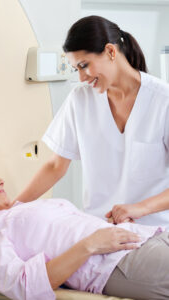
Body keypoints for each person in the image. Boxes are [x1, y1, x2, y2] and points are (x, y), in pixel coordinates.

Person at [15, 15, 169, 228]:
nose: (81, 78)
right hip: (99, 230)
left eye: (84, 65)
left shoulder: (163, 100)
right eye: (76, 69)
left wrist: (139, 208)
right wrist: (12, 208)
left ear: (110, 51)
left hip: (153, 230)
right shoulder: (80, 99)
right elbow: (55, 166)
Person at [0, 162, 169, 300]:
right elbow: (25, 286)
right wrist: (90, 245)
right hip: (116, 262)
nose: (0, 180)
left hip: (145, 235)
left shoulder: (14, 212)